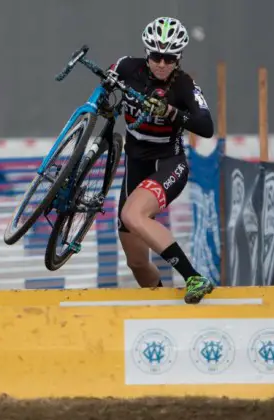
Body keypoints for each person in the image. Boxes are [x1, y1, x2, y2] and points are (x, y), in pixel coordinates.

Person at [107, 16, 215, 304]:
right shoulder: (126, 67)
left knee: (132, 215)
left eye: (169, 58)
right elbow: (105, 87)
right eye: (156, 56)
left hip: (168, 165)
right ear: (147, 53)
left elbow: (207, 126)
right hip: (135, 166)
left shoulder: (184, 85)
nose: (162, 64)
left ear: (178, 58)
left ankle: (194, 276)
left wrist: (171, 112)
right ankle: (157, 306)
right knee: (137, 262)